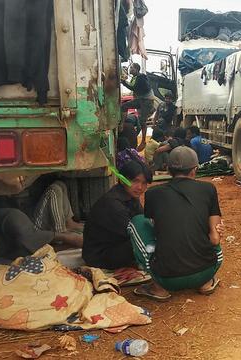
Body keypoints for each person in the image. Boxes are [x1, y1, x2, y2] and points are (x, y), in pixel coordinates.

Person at [130, 146, 224, 300]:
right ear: (194, 170)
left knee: (137, 221)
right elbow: (215, 239)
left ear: (168, 170)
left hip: (167, 279)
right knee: (211, 226)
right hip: (207, 270)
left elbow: (154, 226)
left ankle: (158, 289)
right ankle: (206, 283)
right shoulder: (208, 189)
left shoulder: (153, 194)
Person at [83, 160, 152, 270]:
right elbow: (136, 234)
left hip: (115, 245)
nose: (140, 187)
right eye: (135, 181)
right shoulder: (113, 204)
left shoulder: (131, 197)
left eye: (144, 183)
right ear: (122, 179)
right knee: (146, 242)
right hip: (99, 257)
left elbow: (142, 220)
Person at [121, 63, 158, 151]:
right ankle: (121, 124)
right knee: (124, 107)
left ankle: (143, 141)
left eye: (132, 68)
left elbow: (134, 88)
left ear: (137, 69)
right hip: (141, 100)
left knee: (142, 120)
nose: (130, 70)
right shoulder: (135, 78)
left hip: (146, 101)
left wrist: (123, 82)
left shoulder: (141, 78)